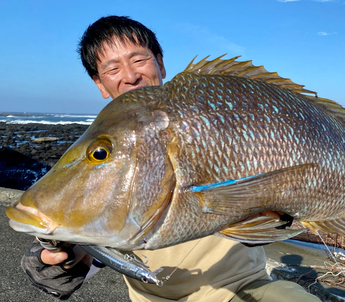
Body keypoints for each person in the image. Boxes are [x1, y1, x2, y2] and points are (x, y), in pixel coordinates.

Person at [20, 16, 321, 302]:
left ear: (160, 64)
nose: (130, 75)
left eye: (139, 59)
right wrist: (56, 263)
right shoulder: (102, 154)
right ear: (100, 84)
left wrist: (281, 213)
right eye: (112, 69)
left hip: (240, 287)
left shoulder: (215, 116)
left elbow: (280, 202)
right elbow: (81, 255)